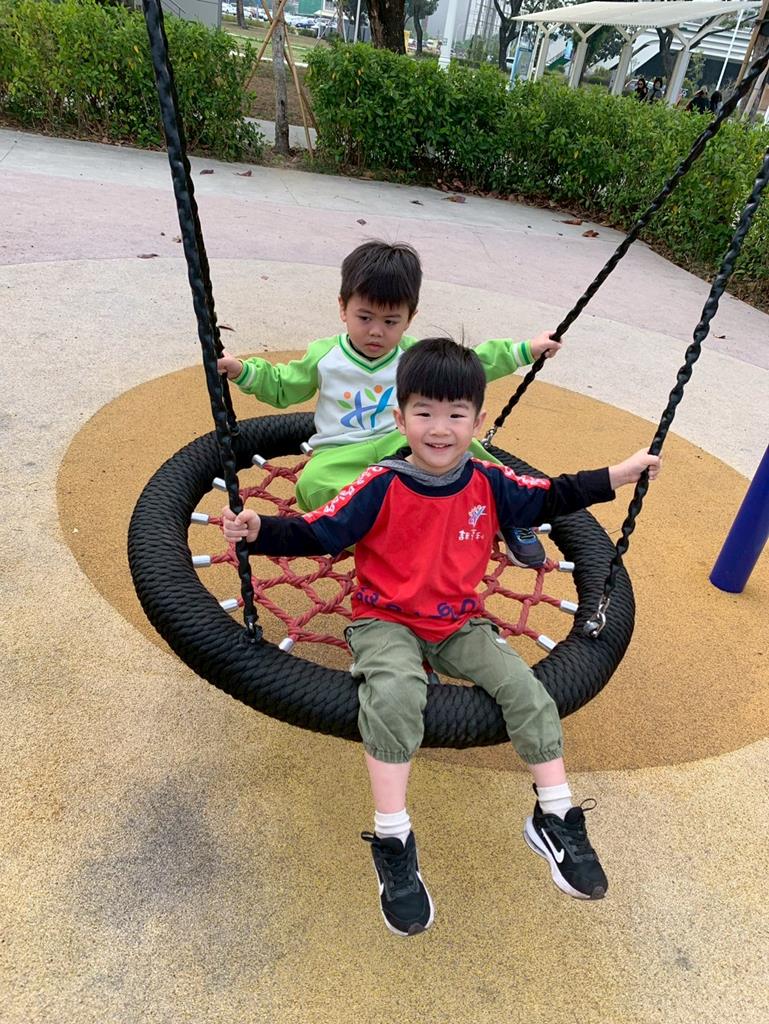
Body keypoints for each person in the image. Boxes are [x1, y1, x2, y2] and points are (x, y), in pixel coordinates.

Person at [222, 337, 662, 936]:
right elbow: (322, 532)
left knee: (527, 690)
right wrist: (261, 530)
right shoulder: (380, 483)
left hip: (458, 620)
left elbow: (553, 496)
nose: (439, 428)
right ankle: (393, 836)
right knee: (395, 696)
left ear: (478, 423)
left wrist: (620, 474)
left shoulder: (488, 481)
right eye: (424, 412)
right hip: (385, 619)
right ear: (400, 417)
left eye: (456, 415)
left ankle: (555, 814)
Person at [218, 239, 561, 568]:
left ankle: (510, 513)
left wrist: (525, 351)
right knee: (312, 486)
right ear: (343, 308)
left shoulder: (414, 357)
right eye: (365, 317)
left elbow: (470, 364)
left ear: (410, 318)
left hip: (403, 444)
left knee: (463, 447)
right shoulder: (325, 356)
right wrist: (241, 371)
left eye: (391, 321)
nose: (376, 332)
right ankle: (386, 536)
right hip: (341, 453)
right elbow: (282, 385)